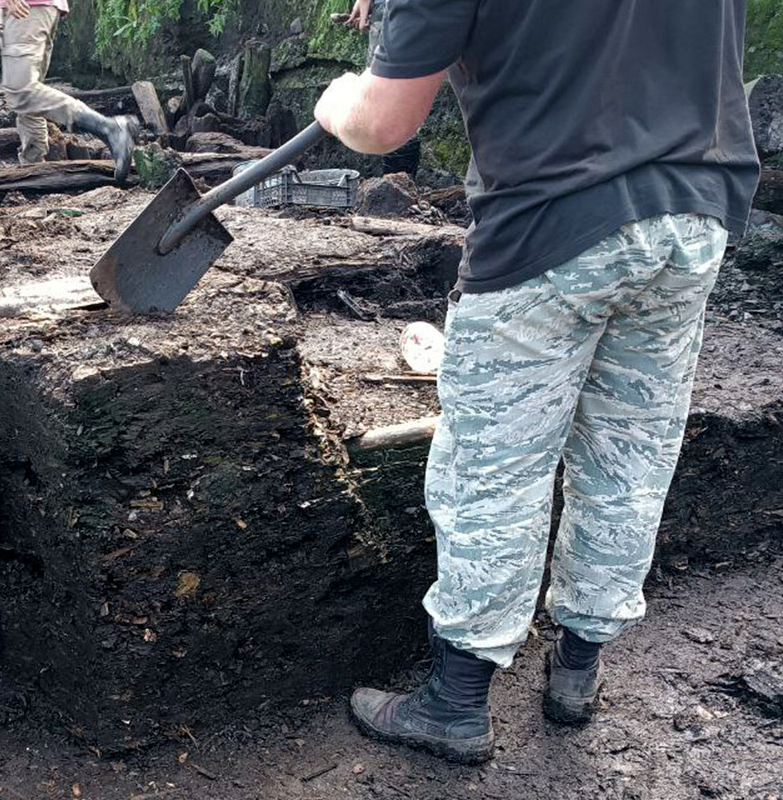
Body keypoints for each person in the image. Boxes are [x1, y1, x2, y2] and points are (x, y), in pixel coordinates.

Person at [314, 0, 759, 765]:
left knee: (496, 466)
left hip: (552, 221)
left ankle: (456, 702)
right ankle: (578, 670)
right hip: (693, 214)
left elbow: (384, 123)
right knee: (630, 449)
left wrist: (338, 101)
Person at [0, 0, 137, 182]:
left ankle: (109, 128)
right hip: (33, 10)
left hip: (26, 9)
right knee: (30, 101)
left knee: (22, 91)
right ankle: (34, 174)